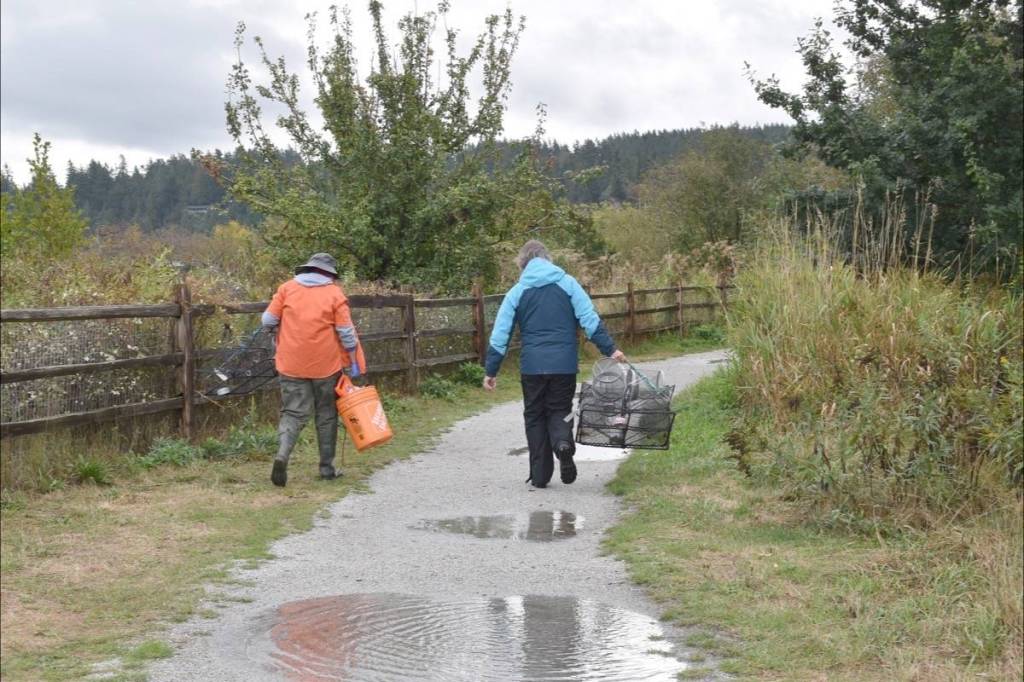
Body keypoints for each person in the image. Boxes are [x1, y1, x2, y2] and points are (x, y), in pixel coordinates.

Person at [483, 239, 625, 487]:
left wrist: (491, 370)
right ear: (548, 259)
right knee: (560, 409)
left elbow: (500, 333)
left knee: (535, 415)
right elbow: (589, 320)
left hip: (532, 367)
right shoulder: (568, 283)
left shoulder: (517, 292)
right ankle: (563, 444)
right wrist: (610, 349)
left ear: (523, 264)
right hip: (564, 364)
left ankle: (540, 476)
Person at [261, 253, 366, 487]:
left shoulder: (287, 288)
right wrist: (353, 360)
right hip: (326, 366)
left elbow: (267, 320)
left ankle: (282, 455)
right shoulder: (334, 294)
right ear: (329, 274)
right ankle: (327, 469)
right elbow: (347, 334)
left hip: (290, 364)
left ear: (307, 270)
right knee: (326, 414)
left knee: (292, 412)